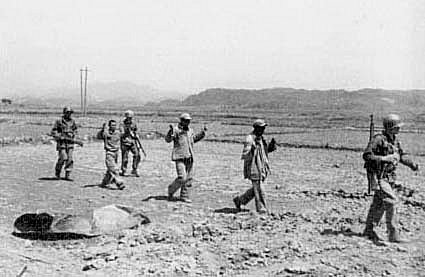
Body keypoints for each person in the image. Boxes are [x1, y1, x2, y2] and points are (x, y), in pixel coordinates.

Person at [363, 114, 419, 243]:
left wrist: (411, 164)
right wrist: (384, 158)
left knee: (379, 204)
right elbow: (367, 155)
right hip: (379, 177)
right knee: (391, 201)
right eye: (396, 127)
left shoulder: (394, 140)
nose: (399, 129)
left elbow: (401, 155)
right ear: (390, 127)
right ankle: (393, 235)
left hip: (389, 177)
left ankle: (369, 230)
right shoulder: (378, 139)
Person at [233, 119, 277, 214]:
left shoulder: (261, 138)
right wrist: (253, 148)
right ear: (256, 128)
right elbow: (246, 154)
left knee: (256, 188)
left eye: (264, 128)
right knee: (259, 188)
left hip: (261, 166)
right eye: (262, 128)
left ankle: (240, 200)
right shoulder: (250, 138)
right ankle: (262, 209)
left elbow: (264, 151)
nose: (263, 130)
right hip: (254, 167)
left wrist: (271, 146)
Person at [165, 113, 207, 203]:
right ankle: (171, 190)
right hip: (179, 157)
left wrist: (202, 133)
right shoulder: (175, 130)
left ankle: (184, 196)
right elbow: (168, 140)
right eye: (186, 120)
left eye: (189, 121)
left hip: (190, 157)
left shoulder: (190, 131)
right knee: (182, 177)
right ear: (181, 121)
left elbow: (193, 139)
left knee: (189, 178)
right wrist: (170, 132)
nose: (188, 122)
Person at [51, 106, 80, 181]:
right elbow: (54, 131)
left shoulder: (72, 121)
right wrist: (59, 136)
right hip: (62, 143)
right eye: (67, 112)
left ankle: (68, 174)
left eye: (70, 113)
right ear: (64, 113)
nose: (69, 114)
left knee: (69, 159)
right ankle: (58, 171)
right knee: (63, 157)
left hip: (70, 143)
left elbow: (75, 130)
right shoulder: (59, 121)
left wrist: (73, 135)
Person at [97, 120, 125, 190]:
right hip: (109, 153)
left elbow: (123, 133)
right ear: (109, 126)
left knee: (110, 169)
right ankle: (119, 183)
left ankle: (105, 182)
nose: (114, 127)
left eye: (115, 125)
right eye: (112, 125)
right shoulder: (106, 133)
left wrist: (122, 127)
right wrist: (102, 129)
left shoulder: (118, 133)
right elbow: (99, 136)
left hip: (116, 153)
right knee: (114, 169)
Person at [120, 110, 141, 177]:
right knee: (125, 158)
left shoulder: (133, 123)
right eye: (129, 117)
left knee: (137, 155)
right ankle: (124, 170)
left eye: (131, 117)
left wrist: (136, 134)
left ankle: (134, 169)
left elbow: (136, 130)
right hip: (125, 142)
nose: (130, 119)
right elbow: (122, 133)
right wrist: (127, 131)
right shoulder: (122, 124)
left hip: (133, 141)